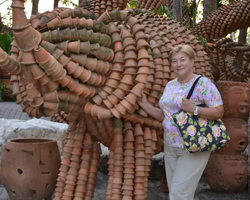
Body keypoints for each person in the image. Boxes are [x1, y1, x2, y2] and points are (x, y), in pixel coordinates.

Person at [137, 44, 224, 200]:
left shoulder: (203, 84)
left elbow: (219, 111)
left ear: (192, 61)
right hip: (170, 146)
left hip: (193, 146)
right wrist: (144, 105)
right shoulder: (170, 85)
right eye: (174, 61)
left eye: (182, 59)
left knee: (179, 194)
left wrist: (195, 109)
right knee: (177, 193)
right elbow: (166, 116)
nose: (178, 64)